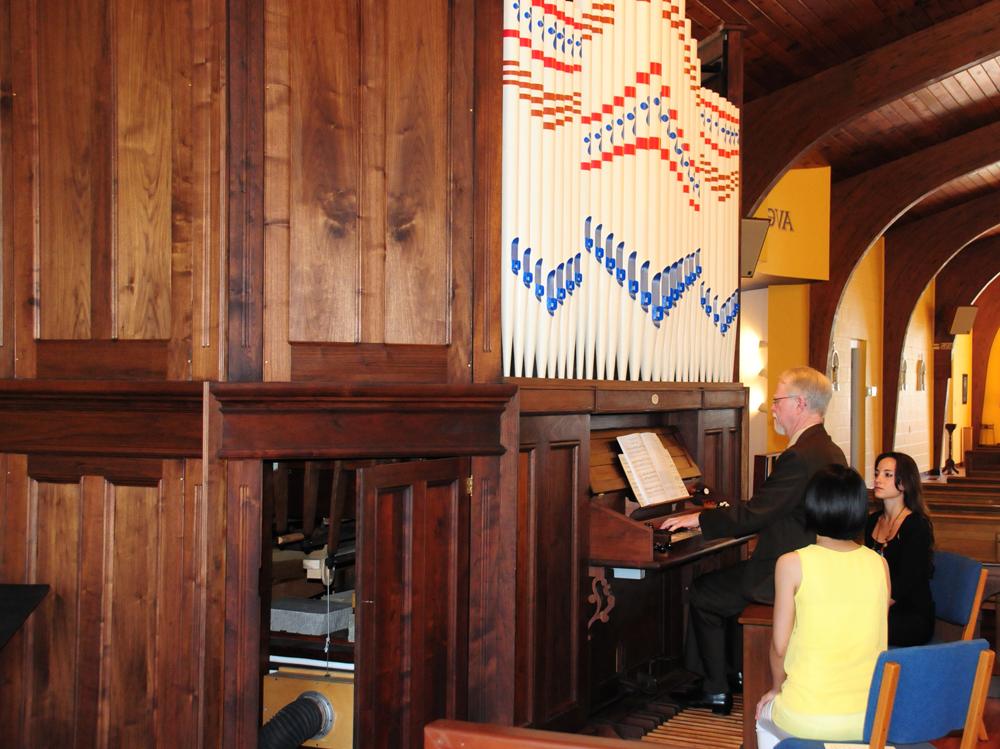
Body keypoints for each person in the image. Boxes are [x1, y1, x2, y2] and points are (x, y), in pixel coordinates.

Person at [661, 367, 847, 714]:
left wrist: (699, 519)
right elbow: (770, 510)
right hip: (809, 565)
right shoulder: (828, 448)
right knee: (719, 584)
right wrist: (719, 511)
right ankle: (731, 676)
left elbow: (757, 514)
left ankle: (715, 688)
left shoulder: (800, 456)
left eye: (777, 401)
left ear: (800, 403)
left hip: (786, 574)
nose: (772, 408)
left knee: (703, 591)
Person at [755, 465, 889, 749]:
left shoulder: (792, 563)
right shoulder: (879, 563)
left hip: (808, 714)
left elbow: (779, 647)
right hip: (870, 716)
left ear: (811, 507)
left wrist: (777, 690)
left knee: (763, 716)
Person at [864, 451, 935, 646]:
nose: (878, 479)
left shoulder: (916, 525)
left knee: (856, 627)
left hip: (910, 614)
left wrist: (873, 610)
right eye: (877, 473)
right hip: (879, 606)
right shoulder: (872, 521)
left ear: (904, 483)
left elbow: (907, 581)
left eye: (887, 475)